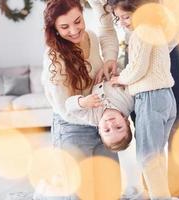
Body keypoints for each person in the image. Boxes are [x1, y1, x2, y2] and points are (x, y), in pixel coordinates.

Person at [87, 0, 179, 199]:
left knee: (154, 148)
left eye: (124, 17)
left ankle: (173, 194)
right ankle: (156, 190)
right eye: (118, 18)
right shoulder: (136, 28)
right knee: (151, 144)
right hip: (153, 73)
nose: (121, 21)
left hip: (163, 46)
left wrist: (156, 44)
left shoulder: (143, 31)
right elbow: (106, 24)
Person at [41, 0, 121, 199]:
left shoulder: (91, 38)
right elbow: (63, 107)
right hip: (71, 124)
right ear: (55, 30)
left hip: (98, 120)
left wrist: (107, 68)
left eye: (78, 21)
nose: (75, 30)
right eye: (65, 27)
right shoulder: (54, 58)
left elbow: (107, 29)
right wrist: (82, 103)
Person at [65, 80, 134, 151]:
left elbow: (68, 106)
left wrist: (83, 102)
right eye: (119, 127)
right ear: (126, 122)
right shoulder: (128, 103)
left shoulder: (92, 117)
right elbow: (132, 83)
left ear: (99, 130)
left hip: (92, 77)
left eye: (107, 130)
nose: (111, 124)